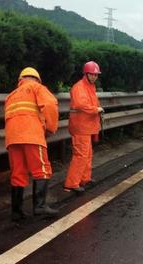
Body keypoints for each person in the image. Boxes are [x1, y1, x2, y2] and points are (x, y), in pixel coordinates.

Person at [5, 67, 59, 221]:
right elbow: (50, 105)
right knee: (42, 169)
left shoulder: (11, 95)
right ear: (37, 79)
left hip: (13, 138)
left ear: (20, 81)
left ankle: (16, 211)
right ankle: (40, 207)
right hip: (32, 135)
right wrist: (50, 128)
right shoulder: (37, 88)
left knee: (18, 173)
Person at [64, 61, 104, 193]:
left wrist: (96, 110)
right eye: (92, 74)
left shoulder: (89, 87)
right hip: (81, 127)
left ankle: (84, 179)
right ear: (86, 74)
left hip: (87, 126)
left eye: (96, 75)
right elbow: (81, 104)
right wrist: (96, 109)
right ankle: (72, 183)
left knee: (87, 154)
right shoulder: (79, 87)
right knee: (81, 155)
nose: (94, 77)